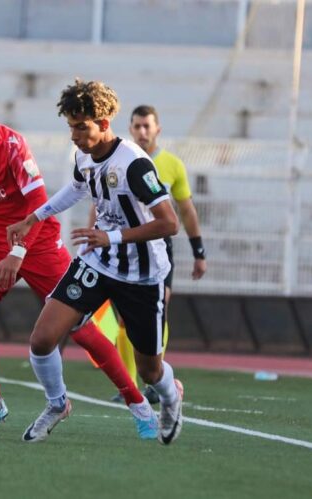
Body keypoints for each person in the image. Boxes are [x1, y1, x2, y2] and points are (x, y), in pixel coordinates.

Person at [0, 81, 153, 439]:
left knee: (82, 331)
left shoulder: (10, 144)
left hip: (40, 242)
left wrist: (19, 251)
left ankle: (138, 404)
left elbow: (38, 201)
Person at [8, 80, 184, 445]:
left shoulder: (134, 163)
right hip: (99, 263)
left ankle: (170, 399)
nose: (73, 134)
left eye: (81, 126)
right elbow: (76, 187)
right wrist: (35, 216)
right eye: (70, 126)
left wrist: (112, 236)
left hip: (142, 274)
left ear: (104, 122)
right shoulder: (84, 155)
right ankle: (57, 404)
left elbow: (170, 223)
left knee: (150, 371)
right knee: (42, 339)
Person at [107, 105, 207, 404]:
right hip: (122, 246)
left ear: (157, 129)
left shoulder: (172, 165)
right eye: (137, 126)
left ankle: (155, 375)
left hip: (159, 248)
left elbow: (186, 210)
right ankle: (129, 384)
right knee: (123, 319)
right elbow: (101, 204)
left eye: (147, 126)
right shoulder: (119, 161)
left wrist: (198, 251)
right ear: (130, 128)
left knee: (158, 308)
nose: (142, 132)